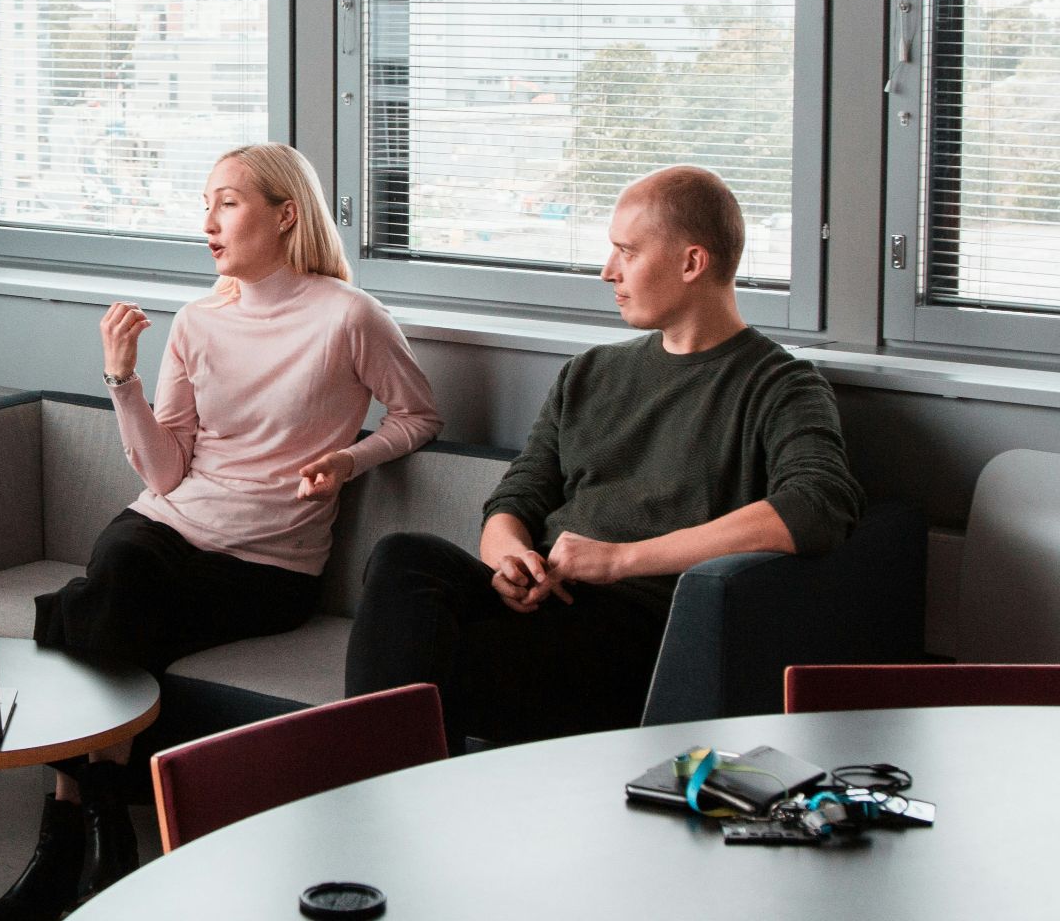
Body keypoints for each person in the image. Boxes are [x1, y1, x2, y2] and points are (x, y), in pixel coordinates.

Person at [0, 143, 445, 921]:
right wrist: (121, 377)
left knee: (82, 606)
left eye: (227, 202)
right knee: (121, 565)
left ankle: (66, 842)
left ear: (285, 213)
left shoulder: (349, 318)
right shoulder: (197, 321)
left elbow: (421, 415)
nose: (208, 222)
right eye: (205, 204)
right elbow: (162, 475)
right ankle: (94, 836)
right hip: (171, 525)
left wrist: (350, 458)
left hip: (268, 562)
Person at [343, 165, 864, 751]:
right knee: (404, 559)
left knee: (417, 679)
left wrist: (619, 561)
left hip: (632, 631)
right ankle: (380, 782)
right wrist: (510, 559)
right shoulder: (590, 373)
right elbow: (516, 498)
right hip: (539, 604)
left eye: (626, 252)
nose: (607, 271)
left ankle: (366, 790)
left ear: (692, 263)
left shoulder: (780, 385)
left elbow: (818, 505)